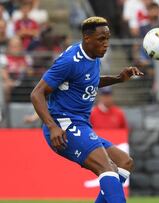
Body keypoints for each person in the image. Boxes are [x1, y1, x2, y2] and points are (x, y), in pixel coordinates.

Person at [30, 17, 143, 203]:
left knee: (124, 162)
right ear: (87, 38)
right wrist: (52, 126)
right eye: (101, 39)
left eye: (107, 38)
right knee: (107, 169)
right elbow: (37, 93)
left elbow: (89, 80)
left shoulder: (94, 56)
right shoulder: (69, 61)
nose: (106, 44)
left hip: (81, 125)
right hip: (64, 126)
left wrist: (118, 78)